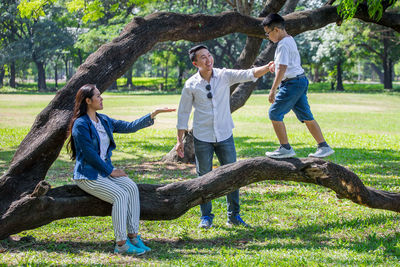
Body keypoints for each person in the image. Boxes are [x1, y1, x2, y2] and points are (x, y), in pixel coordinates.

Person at [67, 84, 175, 255]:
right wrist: (110, 171)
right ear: (88, 101)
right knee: (120, 195)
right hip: (87, 175)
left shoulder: (103, 120)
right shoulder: (80, 124)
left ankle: (133, 237)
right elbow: (88, 154)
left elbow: (130, 126)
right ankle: (121, 244)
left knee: (132, 188)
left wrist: (153, 114)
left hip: (105, 171)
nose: (101, 98)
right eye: (98, 96)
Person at [175, 45, 272, 229]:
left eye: (209, 55)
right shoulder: (191, 85)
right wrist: (180, 140)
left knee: (233, 174)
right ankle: (206, 217)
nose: (208, 59)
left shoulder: (224, 75)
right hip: (202, 137)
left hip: (225, 134)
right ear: (196, 63)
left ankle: (234, 216)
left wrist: (267, 67)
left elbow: (248, 74)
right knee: (203, 177)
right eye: (203, 57)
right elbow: (183, 114)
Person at [262, 14, 334, 159]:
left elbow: (283, 68)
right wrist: (275, 66)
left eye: (267, 33)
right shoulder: (289, 40)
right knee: (306, 116)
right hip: (300, 80)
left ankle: (285, 147)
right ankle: (323, 146)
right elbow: (286, 64)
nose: (268, 36)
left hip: (292, 83)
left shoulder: (282, 44)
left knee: (274, 113)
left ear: (276, 30)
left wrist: (273, 89)